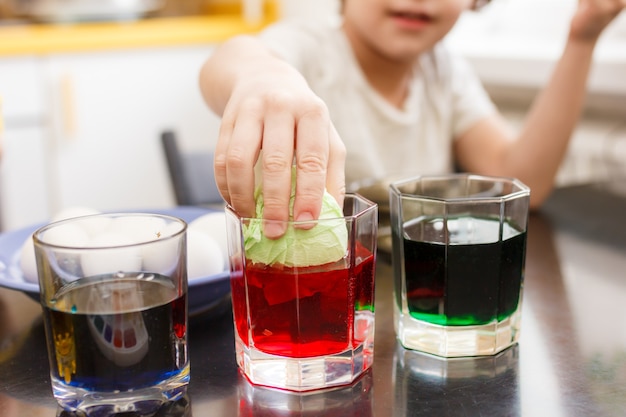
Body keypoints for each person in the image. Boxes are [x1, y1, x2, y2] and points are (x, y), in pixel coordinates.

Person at [199, 0, 625, 238]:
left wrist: (582, 39)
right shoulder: (311, 49)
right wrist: (262, 77)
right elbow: (233, 59)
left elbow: (520, 182)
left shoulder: (443, 71)